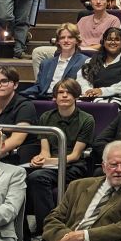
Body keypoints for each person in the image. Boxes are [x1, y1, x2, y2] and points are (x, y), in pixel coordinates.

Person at [26, 78, 94, 222]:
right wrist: (40, 158)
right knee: (21, 176)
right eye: (60, 92)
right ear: (54, 97)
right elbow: (45, 151)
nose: (64, 95)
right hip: (50, 166)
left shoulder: (87, 119)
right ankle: (24, 231)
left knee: (38, 177)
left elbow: (75, 155)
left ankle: (47, 226)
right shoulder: (46, 117)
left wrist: (47, 161)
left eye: (69, 92)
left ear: (76, 96)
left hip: (73, 166)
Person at [76, 27, 121, 107]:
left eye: (117, 39)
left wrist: (102, 91)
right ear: (103, 42)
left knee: (102, 105)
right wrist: (88, 90)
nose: (113, 42)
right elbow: (82, 78)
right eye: (109, 39)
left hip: (119, 99)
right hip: (91, 97)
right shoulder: (92, 60)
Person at [22, 23, 89, 99]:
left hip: (68, 99)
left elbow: (83, 87)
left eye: (70, 37)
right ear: (58, 41)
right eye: (62, 38)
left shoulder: (85, 61)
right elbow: (39, 86)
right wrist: (21, 94)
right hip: (46, 99)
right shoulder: (46, 63)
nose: (66, 41)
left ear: (77, 40)